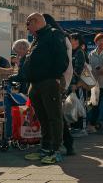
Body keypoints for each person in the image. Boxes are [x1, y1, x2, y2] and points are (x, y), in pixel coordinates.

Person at [22, 13, 69, 164]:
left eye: (28, 24)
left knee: (53, 117)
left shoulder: (54, 35)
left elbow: (62, 59)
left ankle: (56, 150)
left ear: (35, 22)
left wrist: (55, 77)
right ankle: (45, 147)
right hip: (35, 84)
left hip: (48, 82)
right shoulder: (38, 37)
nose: (27, 28)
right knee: (43, 118)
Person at [42, 13, 76, 155]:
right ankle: (65, 143)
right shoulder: (60, 36)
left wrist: (58, 79)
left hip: (57, 80)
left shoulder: (57, 37)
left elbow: (62, 62)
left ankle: (65, 144)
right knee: (55, 114)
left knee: (55, 115)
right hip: (59, 79)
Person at [69, 33, 88, 137]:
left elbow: (79, 70)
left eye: (71, 39)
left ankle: (82, 129)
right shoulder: (72, 52)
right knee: (73, 106)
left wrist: (75, 84)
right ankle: (75, 127)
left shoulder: (80, 52)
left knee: (81, 105)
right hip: (72, 84)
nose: (69, 41)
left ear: (76, 40)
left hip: (79, 84)